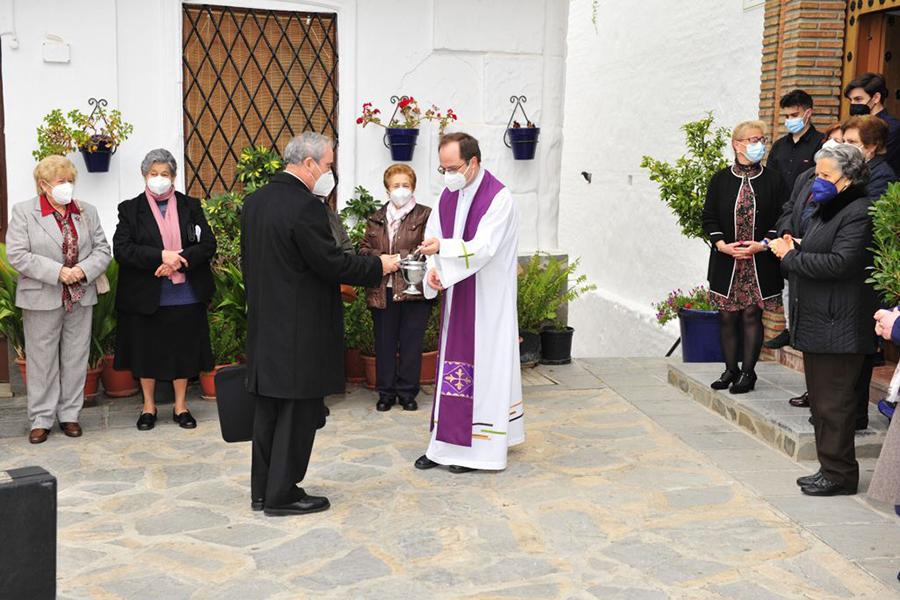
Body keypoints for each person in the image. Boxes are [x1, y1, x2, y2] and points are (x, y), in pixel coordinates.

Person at [241, 132, 398, 516]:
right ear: (308, 163)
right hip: (300, 329)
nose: (330, 172)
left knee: (268, 414)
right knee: (298, 414)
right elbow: (332, 263)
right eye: (328, 165)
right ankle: (283, 494)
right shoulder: (305, 207)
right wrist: (380, 265)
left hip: (266, 323)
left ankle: (262, 490)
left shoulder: (255, 201)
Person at [414, 132, 524, 473]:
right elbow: (433, 237)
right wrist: (434, 271)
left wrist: (442, 253)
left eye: (453, 167)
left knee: (485, 368)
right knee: (452, 370)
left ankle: (478, 450)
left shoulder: (498, 197)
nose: (448, 174)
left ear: (473, 162)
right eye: (442, 168)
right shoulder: (448, 196)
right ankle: (443, 444)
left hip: (488, 302)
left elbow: (485, 246)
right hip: (457, 296)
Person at [770, 144, 875, 496]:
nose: (818, 182)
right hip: (821, 321)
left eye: (826, 176)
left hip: (839, 324)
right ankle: (829, 467)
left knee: (834, 405)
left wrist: (790, 258)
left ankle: (840, 475)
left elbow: (840, 263)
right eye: (817, 175)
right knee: (823, 404)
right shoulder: (829, 208)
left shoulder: (858, 211)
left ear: (848, 178)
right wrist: (797, 244)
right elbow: (824, 249)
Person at [6, 155, 111, 444]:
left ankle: (69, 415)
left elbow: (103, 249)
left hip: (81, 295)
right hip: (42, 296)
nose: (67, 186)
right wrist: (58, 272)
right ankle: (41, 419)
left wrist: (82, 270)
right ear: (43, 185)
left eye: (70, 181)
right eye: (60, 182)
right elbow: (17, 254)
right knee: (41, 361)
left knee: (76, 358)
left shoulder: (86, 211)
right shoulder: (25, 212)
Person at [113, 149, 216, 431]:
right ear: (145, 176)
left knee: (182, 349)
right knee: (147, 350)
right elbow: (122, 250)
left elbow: (207, 244)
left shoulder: (190, 205)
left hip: (185, 294)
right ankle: (149, 406)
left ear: (173, 177)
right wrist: (161, 256)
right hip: (146, 295)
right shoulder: (130, 209)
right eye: (153, 174)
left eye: (165, 174)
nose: (159, 179)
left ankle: (181, 406)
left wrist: (177, 261)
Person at [702, 121, 787, 394]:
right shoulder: (720, 179)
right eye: (752, 139)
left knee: (752, 315)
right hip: (728, 261)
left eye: (761, 139)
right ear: (737, 144)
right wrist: (721, 244)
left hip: (758, 261)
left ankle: (748, 373)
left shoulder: (774, 179)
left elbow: (783, 217)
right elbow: (709, 216)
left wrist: (762, 244)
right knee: (727, 316)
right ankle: (730, 369)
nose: (758, 144)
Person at [359, 164, 433, 412]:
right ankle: (386, 392)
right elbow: (363, 249)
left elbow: (428, 249)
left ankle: (407, 392)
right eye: (395, 186)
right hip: (383, 290)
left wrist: (399, 259)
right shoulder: (376, 217)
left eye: (405, 185)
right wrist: (382, 260)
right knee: (384, 343)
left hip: (414, 290)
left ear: (413, 187)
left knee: (412, 343)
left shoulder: (425, 215)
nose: (400, 190)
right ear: (387, 188)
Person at [767, 123, 843, 352]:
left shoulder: (845, 187)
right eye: (830, 139)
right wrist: (787, 232)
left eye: (840, 141)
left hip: (818, 255)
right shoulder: (806, 177)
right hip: (795, 247)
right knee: (791, 291)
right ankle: (792, 331)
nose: (832, 144)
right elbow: (789, 208)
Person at [767, 89, 826, 190]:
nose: (789, 120)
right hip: (778, 204)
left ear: (808, 113)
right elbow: (769, 179)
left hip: (805, 204)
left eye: (794, 115)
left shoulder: (822, 143)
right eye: (786, 116)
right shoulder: (778, 145)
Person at [844, 72, 900, 174]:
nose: (853, 104)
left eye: (858, 99)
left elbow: (881, 161)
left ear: (876, 98)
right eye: (850, 100)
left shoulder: (892, 128)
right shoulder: (854, 124)